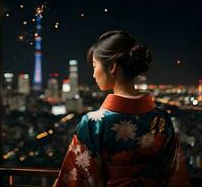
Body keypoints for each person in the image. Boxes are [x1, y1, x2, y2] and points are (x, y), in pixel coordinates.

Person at [53, 30, 189, 187]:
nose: (93, 75)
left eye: (94, 66)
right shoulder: (162, 118)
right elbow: (176, 175)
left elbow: (75, 179)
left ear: (111, 67)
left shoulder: (93, 124)